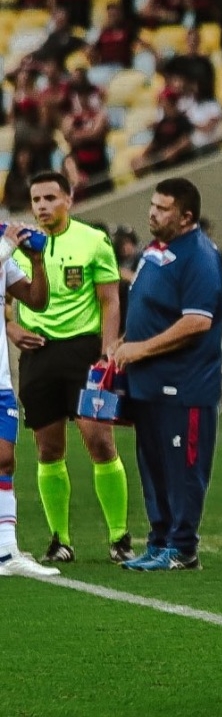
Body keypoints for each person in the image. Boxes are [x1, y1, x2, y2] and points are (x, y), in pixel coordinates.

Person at [9, 172, 133, 565]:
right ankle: (59, 538)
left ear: (69, 199)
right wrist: (13, 329)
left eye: (50, 197)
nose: (42, 205)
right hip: (39, 352)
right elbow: (6, 299)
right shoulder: (15, 247)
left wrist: (108, 348)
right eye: (36, 199)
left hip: (83, 353)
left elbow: (110, 299)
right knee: (48, 448)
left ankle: (119, 536)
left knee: (99, 441)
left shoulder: (93, 241)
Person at [113, 178, 222, 571]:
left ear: (186, 216)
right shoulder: (154, 251)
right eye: (152, 205)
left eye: (162, 208)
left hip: (184, 384)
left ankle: (182, 547)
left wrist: (139, 349)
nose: (152, 213)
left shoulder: (199, 255)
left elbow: (196, 321)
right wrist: (123, 342)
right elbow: (150, 309)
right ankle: (159, 540)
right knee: (154, 468)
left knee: (183, 470)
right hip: (148, 382)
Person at [0, 222, 61, 579]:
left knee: (5, 460)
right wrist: (7, 245)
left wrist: (37, 261)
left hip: (1, 381)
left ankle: (7, 551)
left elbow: (37, 299)